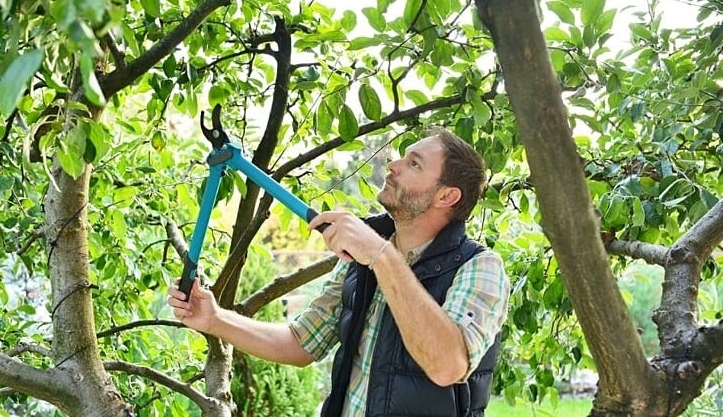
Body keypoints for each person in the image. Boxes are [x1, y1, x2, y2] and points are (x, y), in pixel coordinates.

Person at [168, 127, 510, 416]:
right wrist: (215, 319)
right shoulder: (365, 255)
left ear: (447, 196)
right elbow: (302, 344)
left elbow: (447, 365)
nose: (393, 165)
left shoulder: (480, 267)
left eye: (414, 164)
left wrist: (381, 256)